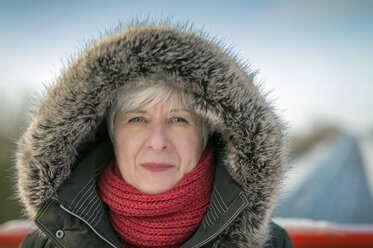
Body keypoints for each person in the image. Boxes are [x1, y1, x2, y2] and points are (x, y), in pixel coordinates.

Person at [16, 21, 293, 247]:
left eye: (179, 119)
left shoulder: (273, 243)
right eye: (137, 119)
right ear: (111, 133)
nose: (158, 142)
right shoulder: (46, 243)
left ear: (206, 136)